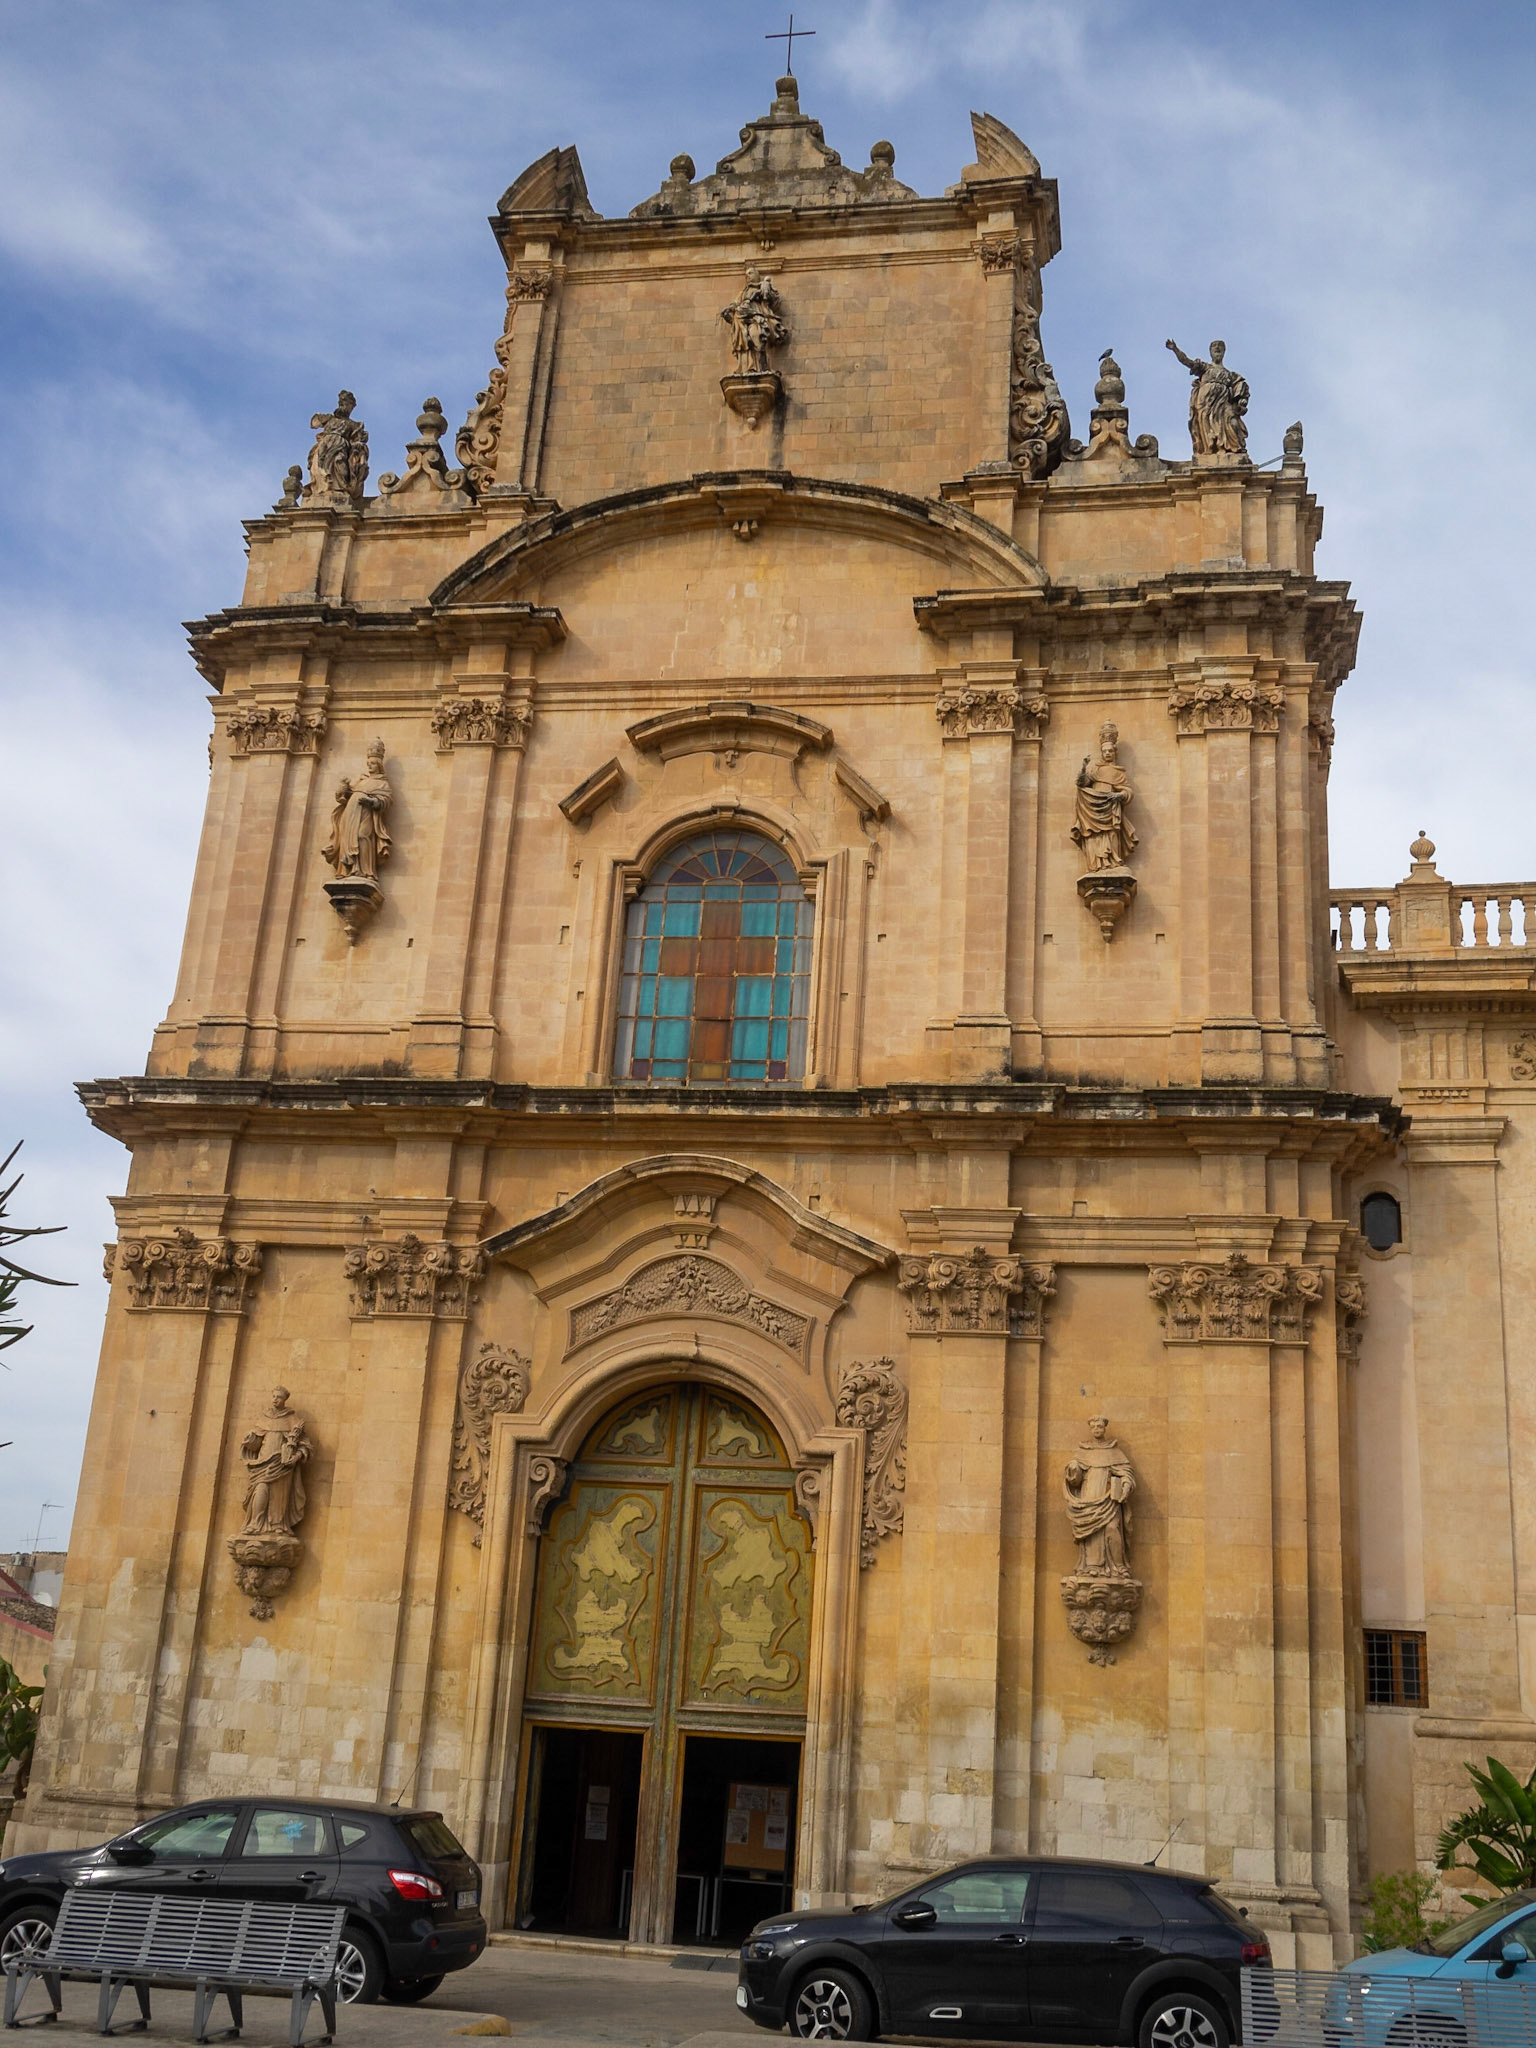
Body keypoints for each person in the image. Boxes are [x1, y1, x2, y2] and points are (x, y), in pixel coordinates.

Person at [1064, 1415, 1135, 1578]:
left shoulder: (1114, 1451)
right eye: (1094, 1427)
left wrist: (1125, 1485)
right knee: (1092, 1532)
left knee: (1112, 1528)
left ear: (1104, 1429)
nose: (1097, 1429)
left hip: (1109, 1498)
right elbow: (1076, 1480)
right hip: (1089, 1496)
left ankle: (1119, 1566)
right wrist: (1073, 1469)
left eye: (1100, 1427)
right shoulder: (1083, 1451)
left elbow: (1126, 1472)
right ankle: (1093, 1566)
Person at [239, 1387, 312, 1537]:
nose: (275, 1399)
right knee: (260, 1489)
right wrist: (250, 1439)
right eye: (273, 1396)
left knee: (279, 1494)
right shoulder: (264, 1418)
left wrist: (295, 1457)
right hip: (263, 1463)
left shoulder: (292, 1419)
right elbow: (257, 1442)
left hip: (282, 1464)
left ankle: (278, 1525)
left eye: (278, 1397)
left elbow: (305, 1445)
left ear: (284, 1400)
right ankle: (254, 1524)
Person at [1165, 337, 1249, 456]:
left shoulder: (1229, 374)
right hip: (1205, 404)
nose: (1217, 350)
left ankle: (1233, 448)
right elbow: (1187, 361)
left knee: (1232, 422)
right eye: (1215, 349)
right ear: (1210, 352)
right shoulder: (1204, 368)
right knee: (1206, 426)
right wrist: (1175, 349)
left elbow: (1240, 385)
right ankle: (1211, 449)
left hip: (1223, 403)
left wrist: (1241, 400)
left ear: (1224, 352)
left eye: (1220, 349)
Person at [322, 739, 392, 881]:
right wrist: (344, 787)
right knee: (348, 839)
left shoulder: (382, 783)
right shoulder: (362, 780)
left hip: (366, 814)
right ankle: (349, 869)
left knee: (362, 836)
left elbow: (386, 800)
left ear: (379, 765)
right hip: (351, 814)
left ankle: (365, 871)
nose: (370, 766)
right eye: (369, 764)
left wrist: (371, 801)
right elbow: (345, 796)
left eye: (373, 764)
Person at [1071, 722, 1137, 871]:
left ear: (1115, 753)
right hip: (1093, 810)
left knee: (1112, 835)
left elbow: (1128, 791)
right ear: (1101, 753)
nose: (1107, 753)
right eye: (1105, 751)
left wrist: (1119, 795)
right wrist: (1083, 767)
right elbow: (1082, 784)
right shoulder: (1094, 769)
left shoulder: (1119, 773)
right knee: (1094, 836)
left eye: (1110, 751)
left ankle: (1112, 862)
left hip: (1111, 809)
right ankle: (1097, 865)